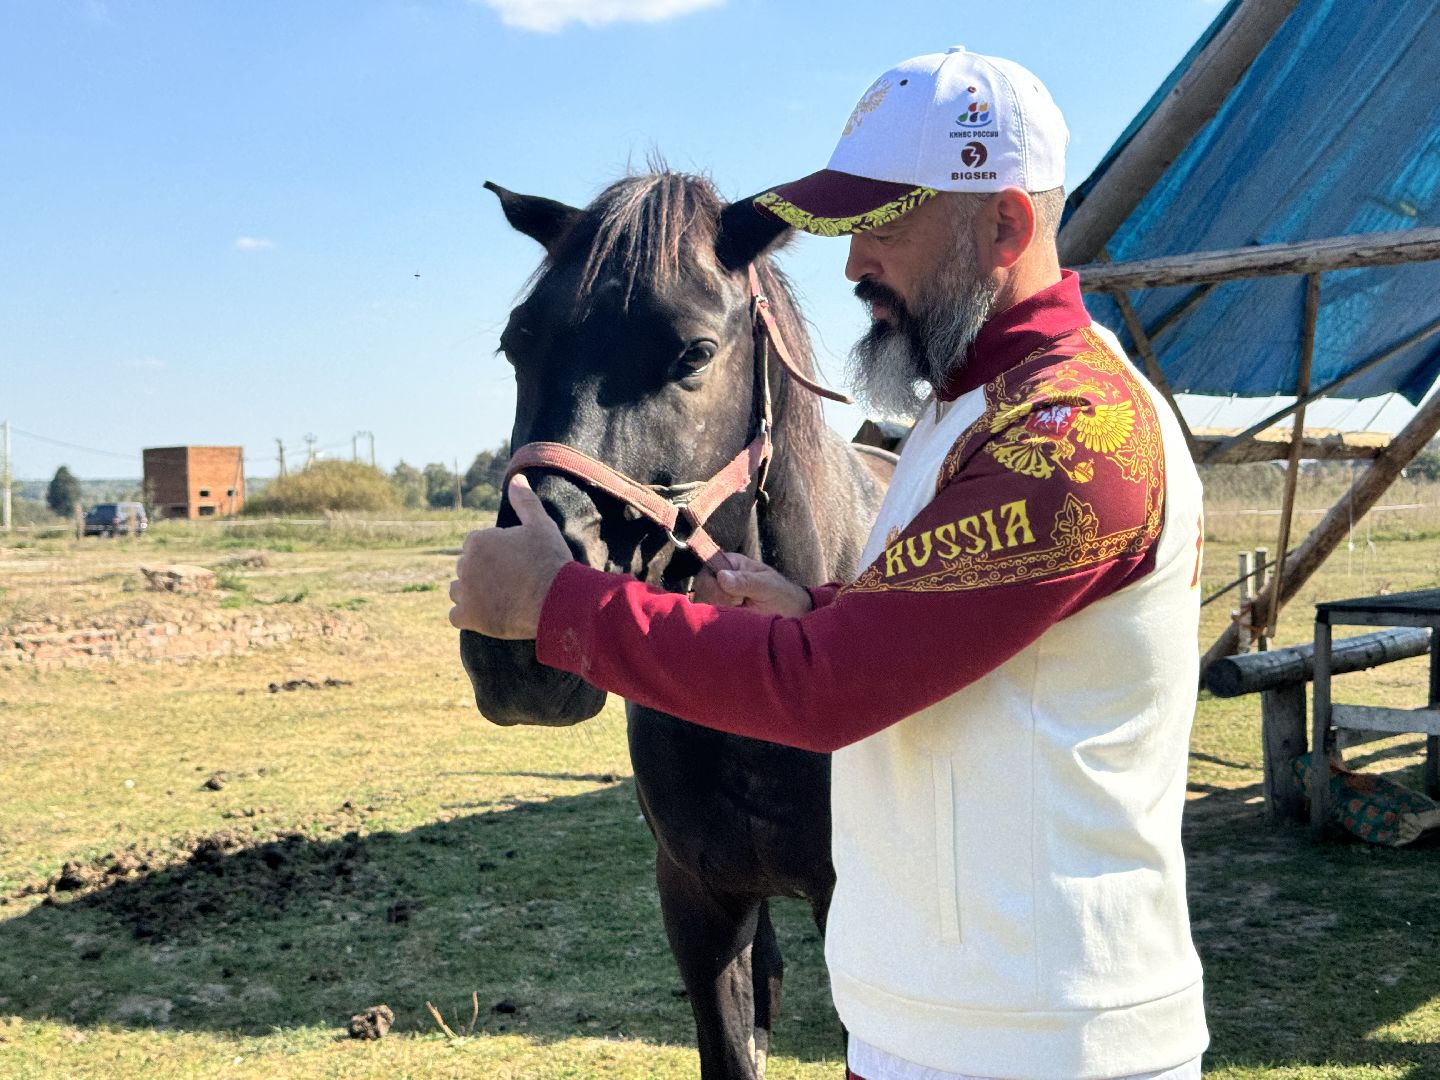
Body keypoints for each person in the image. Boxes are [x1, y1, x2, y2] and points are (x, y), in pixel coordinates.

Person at [450, 46, 1208, 1080]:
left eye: (888, 222)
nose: (852, 263)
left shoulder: (1077, 437)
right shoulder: (964, 414)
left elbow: (832, 692)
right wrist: (820, 603)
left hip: (1046, 1039)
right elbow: (957, 625)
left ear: (1008, 226)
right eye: (852, 226)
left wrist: (562, 606)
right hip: (934, 1025)